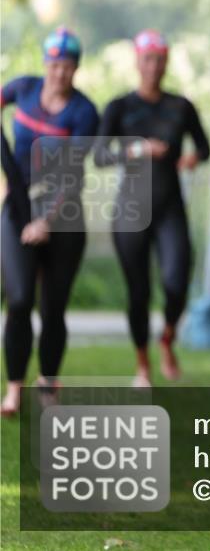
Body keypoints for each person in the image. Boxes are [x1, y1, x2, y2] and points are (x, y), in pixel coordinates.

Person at [94, 29, 210, 387]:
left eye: (159, 60)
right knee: (139, 292)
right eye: (148, 59)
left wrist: (192, 158)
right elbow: (99, 156)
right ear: (137, 61)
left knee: (177, 281)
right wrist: (138, 149)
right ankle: (143, 365)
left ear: (166, 62)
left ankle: (168, 337)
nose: (153, 66)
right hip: (131, 209)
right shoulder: (120, 107)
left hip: (169, 207)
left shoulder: (181, 106)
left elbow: (204, 147)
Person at [1, 27, 100, 416]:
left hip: (63, 213)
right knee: (19, 300)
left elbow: (74, 173)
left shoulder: (84, 111)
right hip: (18, 206)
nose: (60, 72)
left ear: (76, 68)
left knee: (52, 307)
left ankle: (47, 384)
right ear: (45, 63)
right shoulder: (23, 88)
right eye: (55, 64)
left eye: (68, 66)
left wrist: (47, 221)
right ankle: (13, 389)